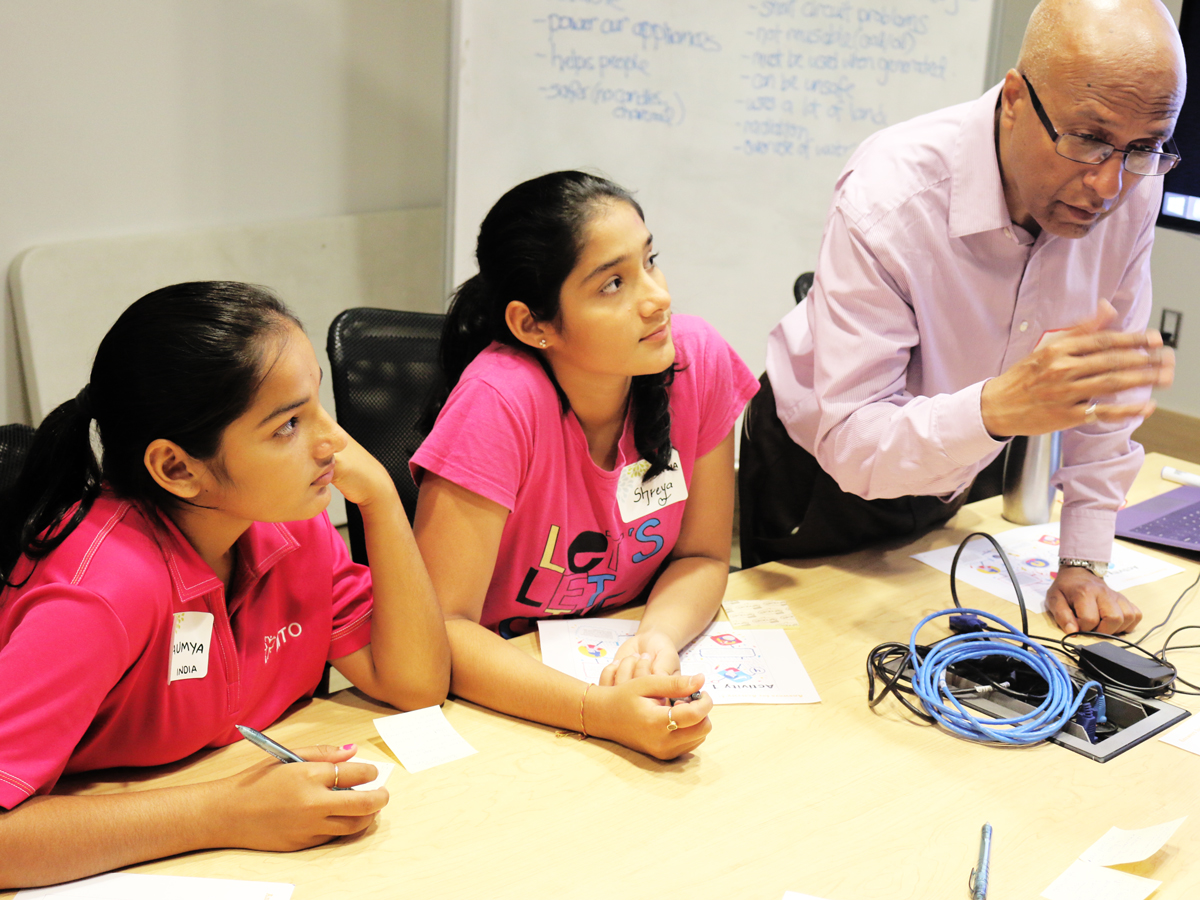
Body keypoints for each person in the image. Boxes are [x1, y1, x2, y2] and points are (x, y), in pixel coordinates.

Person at [740, 0, 1182, 636]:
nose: (1109, 185)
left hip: (968, 453)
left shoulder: (1132, 187)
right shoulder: (891, 194)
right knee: (819, 665)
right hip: (821, 472)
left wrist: (1083, 558)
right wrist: (1000, 409)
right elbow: (851, 441)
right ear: (1013, 100)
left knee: (944, 657)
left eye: (1145, 147)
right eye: (1087, 140)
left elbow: (1105, 391)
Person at [0, 282, 450, 888]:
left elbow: (414, 683)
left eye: (316, 401)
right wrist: (226, 813)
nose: (332, 441)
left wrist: (383, 503)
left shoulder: (290, 527)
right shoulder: (102, 592)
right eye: (288, 425)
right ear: (179, 469)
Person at [412, 171, 759, 760]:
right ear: (533, 324)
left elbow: (702, 556)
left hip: (614, 676)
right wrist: (595, 713)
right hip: (508, 705)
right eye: (614, 284)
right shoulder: (498, 403)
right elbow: (440, 629)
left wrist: (656, 641)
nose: (658, 297)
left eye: (651, 261)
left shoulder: (698, 361)